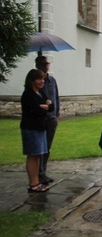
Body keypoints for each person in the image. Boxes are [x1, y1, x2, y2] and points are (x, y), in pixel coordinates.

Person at [20, 69, 54, 193]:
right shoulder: (28, 94)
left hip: (40, 128)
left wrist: (47, 106)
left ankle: (37, 181)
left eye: (43, 79)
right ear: (32, 80)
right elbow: (37, 110)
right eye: (39, 79)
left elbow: (51, 107)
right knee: (32, 155)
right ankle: (33, 183)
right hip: (31, 128)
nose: (42, 81)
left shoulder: (40, 93)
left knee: (38, 154)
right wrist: (45, 107)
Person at [35, 56, 59, 185]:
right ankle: (38, 173)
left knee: (47, 147)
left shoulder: (52, 80)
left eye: (47, 63)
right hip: (41, 118)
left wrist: (57, 113)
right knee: (40, 148)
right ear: (37, 64)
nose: (46, 66)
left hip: (51, 118)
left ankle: (43, 172)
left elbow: (56, 97)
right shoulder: (36, 81)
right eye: (43, 64)